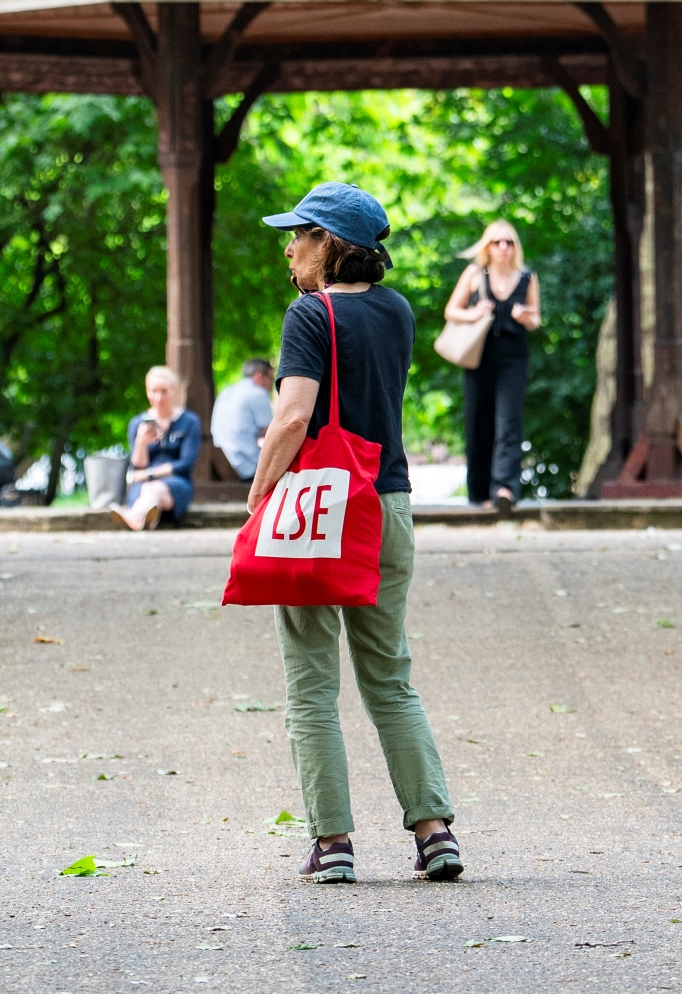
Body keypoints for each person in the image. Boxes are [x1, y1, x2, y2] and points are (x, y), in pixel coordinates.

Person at [252, 177, 461, 885]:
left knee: (311, 682)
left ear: (330, 246)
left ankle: (333, 843)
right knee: (389, 676)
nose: (289, 250)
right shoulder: (398, 311)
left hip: (319, 510)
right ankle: (434, 833)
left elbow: (292, 417)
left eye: (299, 236)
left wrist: (258, 495)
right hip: (389, 504)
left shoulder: (309, 316)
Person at [443, 217, 540, 510]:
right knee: (478, 422)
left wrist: (526, 317)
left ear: (515, 247)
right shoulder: (475, 273)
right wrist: (474, 313)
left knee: (508, 423)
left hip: (512, 358)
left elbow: (537, 318)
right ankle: (479, 492)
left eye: (509, 241)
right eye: (497, 241)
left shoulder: (526, 277)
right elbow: (451, 311)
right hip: (478, 357)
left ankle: (505, 490)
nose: (503, 247)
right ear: (487, 246)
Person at [113, 366, 200, 529]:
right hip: (142, 485)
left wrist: (149, 474)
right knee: (146, 489)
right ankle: (144, 519)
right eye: (153, 391)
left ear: (173, 391)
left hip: (176, 484)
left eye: (163, 391)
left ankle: (133, 517)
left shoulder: (189, 421)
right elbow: (138, 465)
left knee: (151, 488)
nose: (158, 397)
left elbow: (185, 464)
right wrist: (141, 442)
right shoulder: (137, 423)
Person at [210, 356, 276, 481]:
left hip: (222, 459)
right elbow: (271, 433)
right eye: (271, 380)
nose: (271, 387)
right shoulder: (258, 393)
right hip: (246, 465)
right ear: (259, 376)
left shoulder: (227, 391)